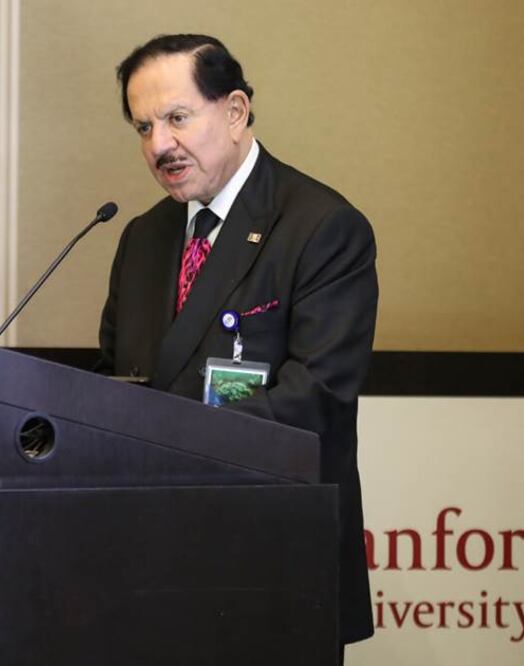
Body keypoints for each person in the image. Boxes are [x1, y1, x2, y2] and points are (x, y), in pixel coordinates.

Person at [98, 34, 378, 657]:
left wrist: (162, 438)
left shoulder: (321, 227)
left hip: (268, 562)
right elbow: (111, 380)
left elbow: (318, 396)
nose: (158, 145)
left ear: (234, 111)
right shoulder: (143, 237)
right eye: (143, 127)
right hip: (148, 566)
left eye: (176, 118)